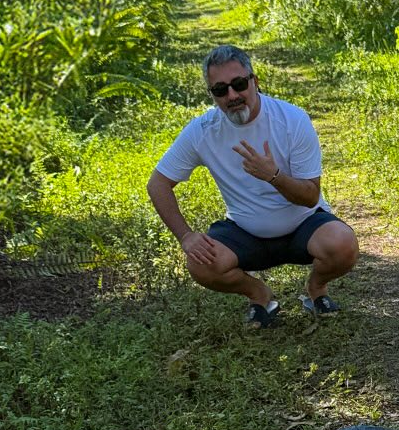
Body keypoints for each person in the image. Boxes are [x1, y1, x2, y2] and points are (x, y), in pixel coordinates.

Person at [147, 44, 359, 328]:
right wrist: (185, 236)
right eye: (221, 90)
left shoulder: (291, 119)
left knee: (343, 244)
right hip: (245, 231)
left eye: (238, 84)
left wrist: (274, 176)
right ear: (212, 95)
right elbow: (158, 184)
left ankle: (316, 290)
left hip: (304, 223)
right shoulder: (202, 131)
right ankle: (260, 296)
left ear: (254, 81)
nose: (232, 95)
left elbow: (310, 197)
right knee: (200, 263)